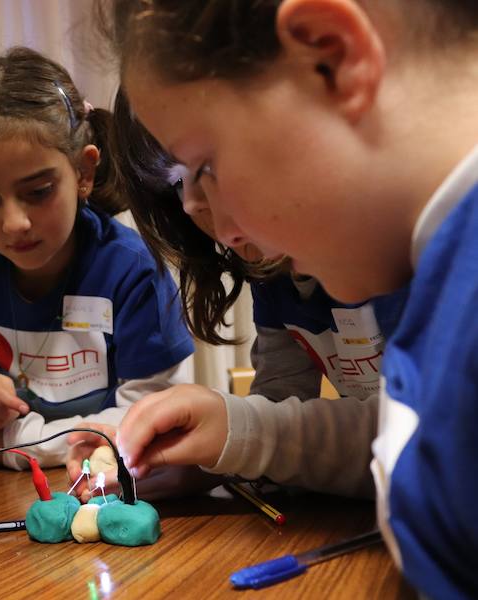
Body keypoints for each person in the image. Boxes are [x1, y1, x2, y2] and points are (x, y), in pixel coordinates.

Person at [94, 1, 478, 597]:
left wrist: (246, 435)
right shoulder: (433, 281)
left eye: (205, 165)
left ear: (331, 58)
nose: (214, 222)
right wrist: (235, 440)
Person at [68, 88, 407, 500]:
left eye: (210, 168)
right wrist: (203, 461)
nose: (199, 210)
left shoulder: (412, 243)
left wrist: (239, 434)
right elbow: (284, 414)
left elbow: (423, 437)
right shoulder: (274, 273)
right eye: (178, 184)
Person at [0, 46, 195, 472]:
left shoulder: (133, 269)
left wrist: (18, 442)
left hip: (94, 460)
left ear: (84, 172)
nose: (14, 223)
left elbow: (148, 412)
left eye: (38, 192)